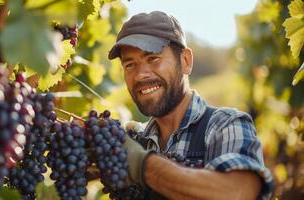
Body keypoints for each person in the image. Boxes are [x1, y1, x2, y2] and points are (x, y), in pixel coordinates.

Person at [107, 11, 274, 200]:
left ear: (185, 61)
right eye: (130, 65)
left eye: (153, 58)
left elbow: (237, 193)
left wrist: (144, 166)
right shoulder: (137, 140)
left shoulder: (226, 125)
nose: (140, 75)